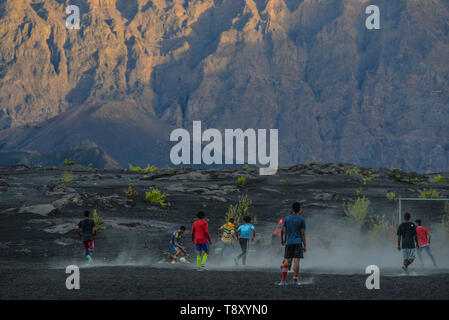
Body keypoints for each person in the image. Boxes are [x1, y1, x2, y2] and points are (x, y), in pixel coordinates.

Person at [279, 202, 306, 286]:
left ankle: (283, 281)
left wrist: (283, 240)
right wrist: (305, 245)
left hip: (289, 242)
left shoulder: (286, 218)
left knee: (286, 260)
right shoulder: (301, 219)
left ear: (292, 209)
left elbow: (283, 230)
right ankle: (295, 280)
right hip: (298, 242)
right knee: (296, 260)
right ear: (299, 209)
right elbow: (303, 234)